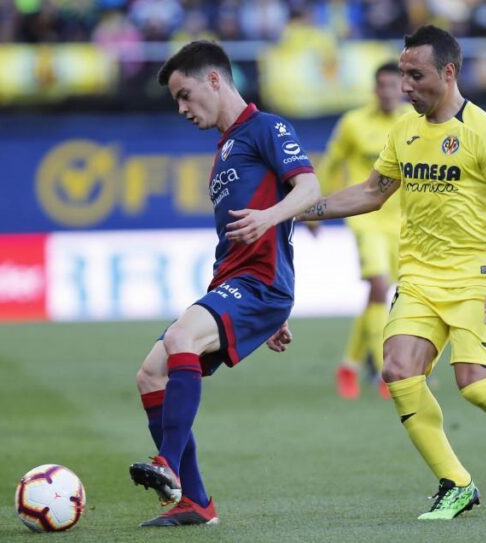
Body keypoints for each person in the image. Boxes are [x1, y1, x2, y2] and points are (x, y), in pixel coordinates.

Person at [299, 25, 486, 520]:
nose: (405, 86)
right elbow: (372, 191)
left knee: (475, 384)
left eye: (415, 75)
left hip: (475, 278)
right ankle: (456, 483)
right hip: (418, 277)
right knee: (397, 371)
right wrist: (307, 209)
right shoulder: (403, 131)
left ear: (448, 72)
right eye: (402, 75)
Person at [129, 40, 320, 528]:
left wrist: (267, 221)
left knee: (180, 339)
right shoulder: (225, 150)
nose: (182, 108)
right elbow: (254, 237)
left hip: (260, 285)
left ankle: (166, 465)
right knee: (151, 374)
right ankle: (195, 502)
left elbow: (309, 189)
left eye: (185, 94)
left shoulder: (267, 128)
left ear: (214, 80)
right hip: (239, 284)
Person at [316, 61, 408, 399]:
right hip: (365, 216)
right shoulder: (354, 123)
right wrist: (315, 210)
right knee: (380, 285)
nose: (387, 91)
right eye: (381, 85)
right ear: (374, 88)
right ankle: (386, 372)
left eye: (393, 85)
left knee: (382, 294)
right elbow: (330, 163)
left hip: (402, 221)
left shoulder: (411, 122)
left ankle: (349, 365)